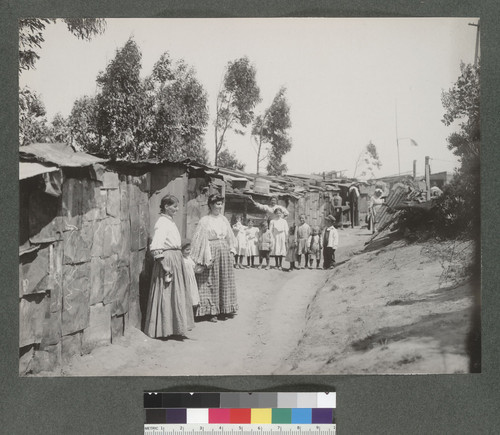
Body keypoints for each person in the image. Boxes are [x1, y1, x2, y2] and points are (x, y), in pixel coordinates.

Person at [144, 194, 194, 339]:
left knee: (176, 294)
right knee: (167, 294)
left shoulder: (169, 221)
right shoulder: (162, 223)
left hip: (175, 258)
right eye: (174, 206)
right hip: (168, 261)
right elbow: (155, 246)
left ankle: (174, 327)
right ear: (166, 206)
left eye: (177, 206)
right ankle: (163, 329)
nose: (177, 209)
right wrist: (164, 265)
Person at [191, 194, 238, 322]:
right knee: (210, 280)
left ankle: (224, 308)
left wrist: (232, 250)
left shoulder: (223, 219)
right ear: (211, 205)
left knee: (224, 279)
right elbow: (200, 240)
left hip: (224, 252)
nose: (220, 206)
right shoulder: (204, 221)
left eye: (221, 204)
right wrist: (206, 257)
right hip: (210, 251)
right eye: (217, 204)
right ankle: (211, 311)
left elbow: (230, 236)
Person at [181, 241, 200, 311]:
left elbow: (194, 268)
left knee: (192, 293)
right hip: (185, 279)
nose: (188, 251)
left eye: (189, 249)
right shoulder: (181, 259)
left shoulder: (189, 258)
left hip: (191, 279)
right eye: (187, 250)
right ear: (181, 250)